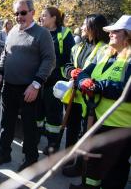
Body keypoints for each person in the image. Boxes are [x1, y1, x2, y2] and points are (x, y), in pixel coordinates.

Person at [0, 0, 56, 171]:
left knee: (29, 127)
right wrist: (0, 72)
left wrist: (36, 84)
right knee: (6, 124)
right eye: (16, 13)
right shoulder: (12, 32)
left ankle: (31, 159)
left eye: (23, 12)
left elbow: (49, 60)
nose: (19, 17)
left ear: (33, 12)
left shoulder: (42, 33)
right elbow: (5, 53)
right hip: (9, 86)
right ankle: (4, 154)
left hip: (29, 88)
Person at [69, 15, 131, 189]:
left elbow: (126, 89)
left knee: (114, 169)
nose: (110, 34)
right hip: (96, 118)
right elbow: (84, 73)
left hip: (119, 127)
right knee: (93, 161)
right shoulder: (106, 54)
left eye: (115, 31)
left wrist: (98, 87)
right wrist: (83, 81)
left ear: (128, 35)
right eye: (110, 31)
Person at [62, 14, 109, 177]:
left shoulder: (105, 49)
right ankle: (69, 158)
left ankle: (80, 166)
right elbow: (66, 64)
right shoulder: (78, 46)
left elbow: (101, 71)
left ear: (93, 28)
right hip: (73, 97)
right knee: (71, 129)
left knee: (84, 133)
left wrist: (84, 77)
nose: (81, 27)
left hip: (89, 100)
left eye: (84, 25)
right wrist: (70, 72)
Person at [39, 6, 75, 155]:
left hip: (54, 82)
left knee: (53, 114)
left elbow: (70, 58)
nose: (41, 18)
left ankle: (53, 144)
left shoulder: (65, 34)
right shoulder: (39, 32)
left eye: (44, 15)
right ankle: (35, 137)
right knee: (37, 112)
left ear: (54, 17)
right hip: (38, 80)